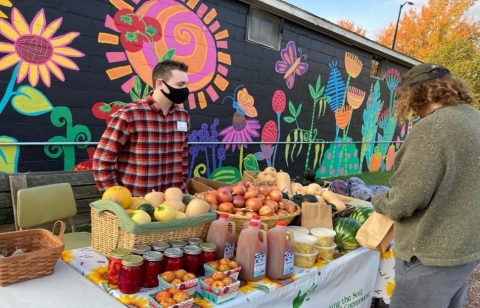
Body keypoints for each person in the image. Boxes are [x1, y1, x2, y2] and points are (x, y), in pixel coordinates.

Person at [371, 63, 480, 308]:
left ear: (414, 94)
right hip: (467, 247)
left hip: (430, 254)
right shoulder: (476, 119)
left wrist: (377, 200)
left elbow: (404, 201)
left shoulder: (430, 129)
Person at [93, 60, 190, 197]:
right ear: (160, 84)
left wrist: (182, 184)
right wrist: (116, 197)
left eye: (186, 84)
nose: (185, 89)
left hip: (173, 203)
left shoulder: (183, 116)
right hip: (137, 203)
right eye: (180, 84)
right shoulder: (129, 114)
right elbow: (103, 160)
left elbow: (183, 155)